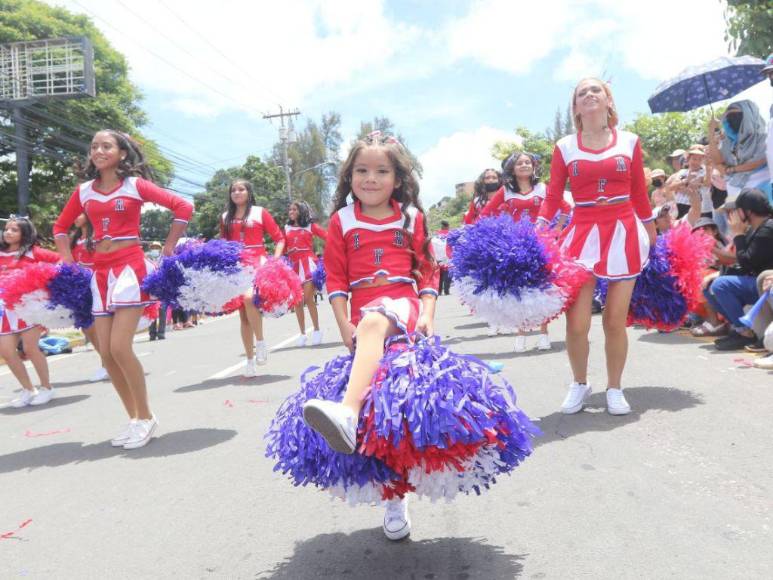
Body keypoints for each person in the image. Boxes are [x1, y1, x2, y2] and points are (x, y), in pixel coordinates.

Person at [301, 132, 438, 540]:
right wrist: (344, 324)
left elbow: (428, 270)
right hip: (359, 316)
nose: (371, 178)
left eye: (382, 171)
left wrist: (428, 312)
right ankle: (394, 497)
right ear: (349, 176)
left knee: (377, 323)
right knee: (386, 409)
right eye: (362, 170)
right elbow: (337, 278)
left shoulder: (411, 216)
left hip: (401, 304)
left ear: (398, 178)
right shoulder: (341, 221)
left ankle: (345, 411)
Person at [53, 130, 193, 449]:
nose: (99, 151)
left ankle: (146, 416)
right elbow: (60, 227)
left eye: (106, 146)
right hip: (99, 273)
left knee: (119, 347)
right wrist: (66, 260)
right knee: (105, 353)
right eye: (94, 146)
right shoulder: (84, 191)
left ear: (122, 154)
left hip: (129, 268)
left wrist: (169, 246)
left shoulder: (134, 186)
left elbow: (182, 207)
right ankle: (134, 420)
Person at [537, 77, 656, 416]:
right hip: (582, 233)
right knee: (577, 323)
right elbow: (553, 196)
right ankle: (579, 383)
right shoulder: (564, 146)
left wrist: (650, 232)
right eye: (581, 93)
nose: (588, 95)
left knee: (615, 321)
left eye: (596, 91)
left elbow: (638, 193)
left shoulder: (630, 141)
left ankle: (615, 387)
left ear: (608, 101)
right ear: (575, 107)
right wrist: (540, 229)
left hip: (623, 231)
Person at [481, 151, 570, 351]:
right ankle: (520, 335)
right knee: (520, 289)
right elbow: (486, 214)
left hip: (541, 243)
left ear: (534, 167)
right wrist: (499, 233)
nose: (524, 165)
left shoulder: (543, 188)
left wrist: (557, 229)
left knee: (542, 288)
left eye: (527, 162)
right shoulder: (505, 191)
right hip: (516, 247)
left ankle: (544, 335)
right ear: (512, 169)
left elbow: (566, 207)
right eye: (519, 163)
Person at [220, 179, 285, 376]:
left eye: (241, 189)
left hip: (258, 263)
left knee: (250, 299)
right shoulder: (224, 217)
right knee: (243, 316)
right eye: (233, 190)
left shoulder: (259, 212)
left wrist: (274, 261)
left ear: (248, 192)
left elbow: (279, 238)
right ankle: (249, 361)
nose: (237, 192)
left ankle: (261, 342)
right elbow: (223, 245)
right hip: (237, 267)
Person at [0, 216, 60, 407]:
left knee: (30, 348)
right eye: (7, 229)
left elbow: (60, 262)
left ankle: (47, 387)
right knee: (7, 352)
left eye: (14, 229)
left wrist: (43, 285)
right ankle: (28, 389)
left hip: (28, 308)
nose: (8, 232)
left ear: (24, 233)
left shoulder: (34, 252)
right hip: (4, 309)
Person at [704, 188, 773, 351]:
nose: (733, 215)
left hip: (766, 283)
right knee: (710, 287)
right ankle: (739, 329)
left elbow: (747, 261)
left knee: (721, 285)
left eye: (736, 210)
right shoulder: (755, 229)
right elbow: (742, 263)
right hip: (756, 282)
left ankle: (745, 334)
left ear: (747, 211)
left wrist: (738, 234)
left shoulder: (767, 228)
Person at [69, 213, 109, 381]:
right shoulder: (73, 239)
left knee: (99, 327)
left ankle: (107, 364)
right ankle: (109, 362)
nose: (75, 217)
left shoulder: (97, 237)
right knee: (87, 328)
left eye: (79, 213)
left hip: (97, 282)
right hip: (80, 286)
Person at [707, 100, 771, 202]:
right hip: (735, 198)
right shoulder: (729, 143)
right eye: (729, 117)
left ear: (750, 115)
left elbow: (759, 161)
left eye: (737, 115)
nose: (732, 120)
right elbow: (717, 162)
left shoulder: (764, 138)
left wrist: (730, 169)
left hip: (762, 197)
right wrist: (711, 132)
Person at [285, 200, 326, 347]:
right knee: (297, 301)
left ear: (301, 211)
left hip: (308, 264)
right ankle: (302, 334)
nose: (291, 212)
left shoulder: (310, 226)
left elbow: (328, 237)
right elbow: (283, 246)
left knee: (308, 298)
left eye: (294, 209)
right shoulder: (286, 228)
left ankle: (316, 330)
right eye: (290, 210)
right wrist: (287, 251)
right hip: (293, 266)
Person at [670, 145, 712, 219]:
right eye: (694, 159)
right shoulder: (682, 172)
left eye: (699, 159)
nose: (696, 162)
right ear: (688, 159)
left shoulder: (704, 172)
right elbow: (672, 187)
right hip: (678, 206)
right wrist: (686, 181)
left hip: (694, 207)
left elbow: (706, 184)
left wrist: (682, 186)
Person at [145, 241, 168, 341]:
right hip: (150, 287)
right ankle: (152, 333)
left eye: (157, 247)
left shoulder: (164, 259)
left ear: (160, 249)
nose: (155, 249)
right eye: (153, 247)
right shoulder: (146, 259)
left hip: (161, 286)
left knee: (162, 310)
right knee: (151, 310)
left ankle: (161, 333)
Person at [433, 220, 452, 296]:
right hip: (447, 256)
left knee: (439, 275)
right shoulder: (451, 234)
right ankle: (446, 291)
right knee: (447, 273)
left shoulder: (436, 235)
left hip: (438, 257)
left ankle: (439, 291)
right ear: (447, 226)